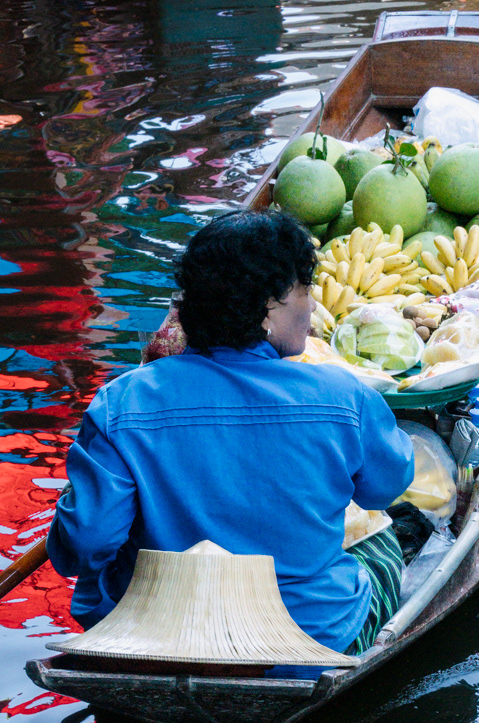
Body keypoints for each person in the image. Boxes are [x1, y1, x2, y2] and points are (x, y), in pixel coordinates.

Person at [47, 210, 414, 663]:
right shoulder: (343, 397)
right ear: (270, 306)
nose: (313, 306)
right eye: (305, 289)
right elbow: (385, 488)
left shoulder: (120, 401)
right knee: (382, 539)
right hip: (302, 642)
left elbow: (83, 546)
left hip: (150, 640)